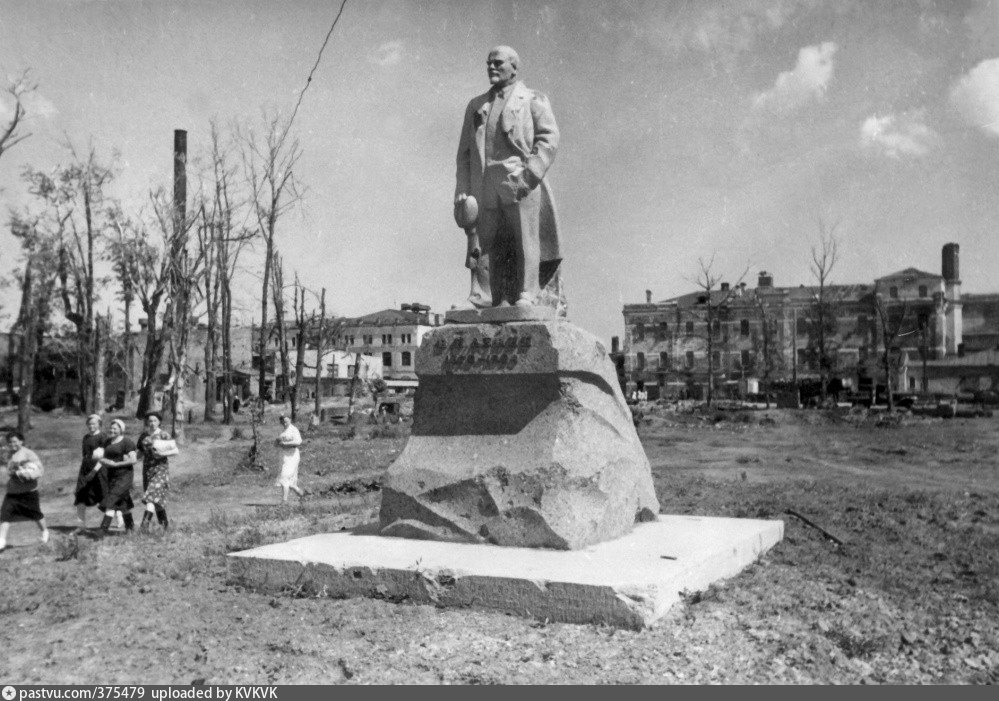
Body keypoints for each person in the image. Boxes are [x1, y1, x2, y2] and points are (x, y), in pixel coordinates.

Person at [454, 45, 560, 308]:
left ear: (514, 67)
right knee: (489, 242)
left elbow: (549, 139)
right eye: (488, 63)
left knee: (525, 239)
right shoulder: (476, 105)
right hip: (484, 183)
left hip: (519, 180)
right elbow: (465, 154)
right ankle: (494, 296)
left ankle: (527, 293)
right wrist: (462, 188)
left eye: (498, 63)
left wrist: (529, 175)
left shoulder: (533, 99)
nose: (491, 67)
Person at [0, 431, 49, 551]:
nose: (12, 444)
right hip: (12, 492)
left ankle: (45, 532)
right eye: (10, 442)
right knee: (4, 515)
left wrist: (28, 474)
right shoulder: (9, 455)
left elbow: (39, 470)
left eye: (15, 441)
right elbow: (10, 470)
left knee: (36, 514)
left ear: (21, 441)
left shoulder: (29, 453)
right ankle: (1, 541)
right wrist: (15, 472)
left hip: (29, 491)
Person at [97, 419, 138, 535]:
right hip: (111, 476)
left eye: (115, 428)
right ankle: (130, 528)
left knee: (111, 499)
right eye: (111, 428)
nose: (112, 430)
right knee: (122, 502)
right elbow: (101, 457)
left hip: (125, 476)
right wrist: (106, 461)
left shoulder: (127, 442)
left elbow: (133, 460)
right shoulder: (107, 442)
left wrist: (116, 464)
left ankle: (103, 529)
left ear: (121, 430)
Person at [136, 412, 172, 532]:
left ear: (159, 422)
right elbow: (139, 454)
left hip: (161, 469)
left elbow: (173, 450)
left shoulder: (164, 435)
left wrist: (160, 452)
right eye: (150, 421)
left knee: (151, 497)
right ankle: (165, 525)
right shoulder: (143, 436)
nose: (152, 423)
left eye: (154, 421)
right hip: (147, 469)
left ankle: (144, 526)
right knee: (156, 500)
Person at [274, 415, 304, 503]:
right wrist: (278, 441)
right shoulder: (281, 431)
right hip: (284, 455)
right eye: (283, 422)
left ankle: (284, 501)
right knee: (289, 482)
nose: (285, 423)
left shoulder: (294, 430)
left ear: (290, 420)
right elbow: (275, 445)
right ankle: (302, 494)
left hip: (292, 455)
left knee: (284, 476)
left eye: (286, 421)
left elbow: (298, 442)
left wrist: (286, 444)